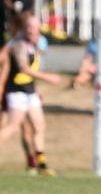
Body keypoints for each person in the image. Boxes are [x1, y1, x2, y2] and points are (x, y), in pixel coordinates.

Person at [0, 15, 60, 175]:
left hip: (30, 92)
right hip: (17, 92)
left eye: (34, 27)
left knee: (39, 125)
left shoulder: (34, 45)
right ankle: (35, 164)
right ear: (25, 28)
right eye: (29, 27)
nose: (31, 30)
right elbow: (24, 69)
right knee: (12, 127)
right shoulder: (19, 45)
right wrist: (49, 78)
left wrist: (37, 89)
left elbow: (30, 73)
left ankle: (42, 165)